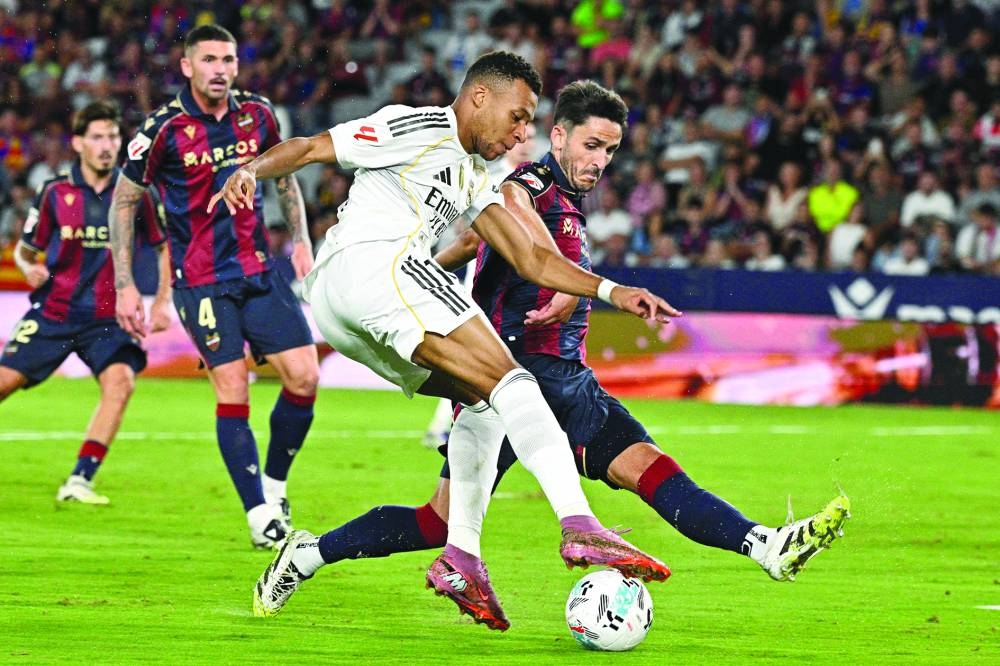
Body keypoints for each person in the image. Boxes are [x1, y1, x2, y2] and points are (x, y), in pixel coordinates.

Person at [247, 80, 851, 627]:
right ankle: (597, 531)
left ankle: (764, 546)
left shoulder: (543, 198)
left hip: (549, 383)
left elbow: (473, 247)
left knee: (611, 476)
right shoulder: (525, 187)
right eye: (591, 145)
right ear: (558, 136)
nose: (600, 161)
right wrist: (563, 282)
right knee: (610, 474)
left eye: (610, 151)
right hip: (517, 372)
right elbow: (524, 240)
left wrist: (436, 268)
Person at [209, 53, 678, 630]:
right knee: (515, 381)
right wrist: (251, 169)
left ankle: (458, 555)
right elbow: (309, 148)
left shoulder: (475, 176)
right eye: (518, 116)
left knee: (484, 401)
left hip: (345, 308)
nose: (521, 134)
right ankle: (580, 524)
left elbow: (531, 257)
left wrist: (610, 290)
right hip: (374, 267)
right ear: (480, 97)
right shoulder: (421, 126)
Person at [109, 25, 320, 550]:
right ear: (187, 66)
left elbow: (285, 176)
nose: (220, 69)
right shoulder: (162, 129)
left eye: (227, 59)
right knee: (233, 388)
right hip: (201, 281)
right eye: (208, 60)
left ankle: (274, 486)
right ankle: (259, 515)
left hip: (259, 270)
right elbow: (123, 202)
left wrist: (300, 238)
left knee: (305, 378)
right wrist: (125, 285)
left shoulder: (259, 114)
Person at [0, 100, 170, 504]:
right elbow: (26, 249)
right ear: (78, 143)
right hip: (55, 312)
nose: (107, 145)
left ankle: (80, 479)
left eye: (112, 136)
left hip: (107, 320)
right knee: (4, 383)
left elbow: (165, 247)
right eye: (97, 137)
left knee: (120, 383)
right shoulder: (54, 192)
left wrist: (162, 302)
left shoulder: (136, 193)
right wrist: (27, 267)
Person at [421, 120, 540, 449]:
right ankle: (448, 424)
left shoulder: (534, 182)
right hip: (483, 278)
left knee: (499, 357)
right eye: (522, 138)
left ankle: (466, 425)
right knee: (474, 355)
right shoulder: (493, 177)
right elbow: (469, 233)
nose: (526, 144)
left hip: (515, 281)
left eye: (532, 139)